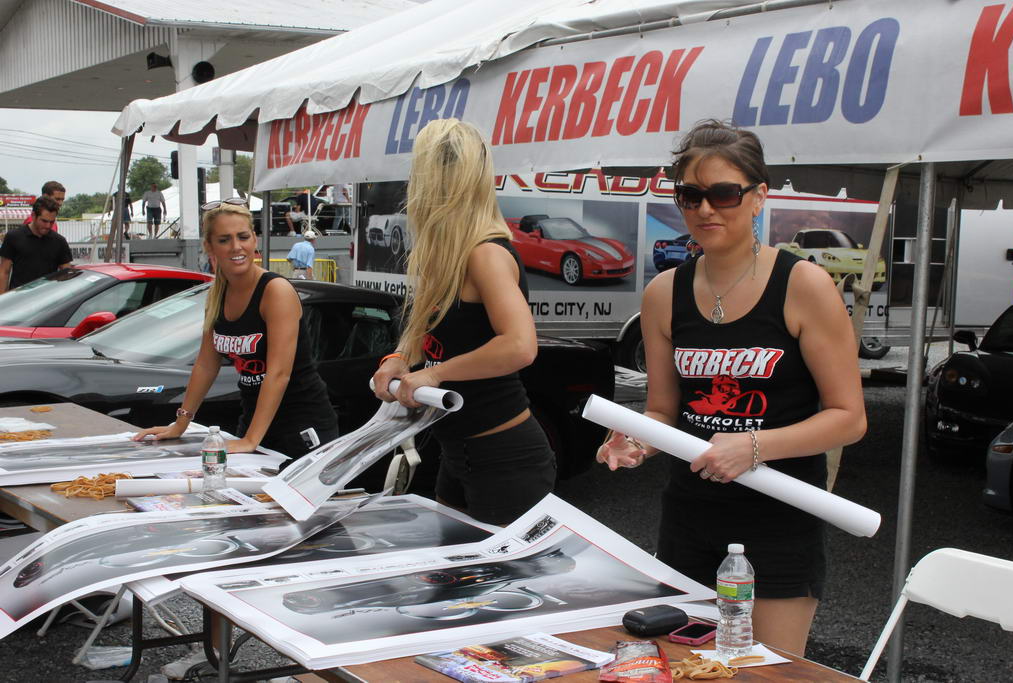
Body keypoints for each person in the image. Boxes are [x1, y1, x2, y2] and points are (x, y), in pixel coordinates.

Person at [596, 120, 866, 657]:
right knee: (685, 665)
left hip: (779, 518)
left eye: (723, 193)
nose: (705, 209)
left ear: (758, 196)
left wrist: (755, 445)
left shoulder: (803, 285)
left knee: (765, 672)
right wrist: (635, 440)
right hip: (690, 516)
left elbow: (849, 417)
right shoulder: (662, 294)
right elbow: (663, 410)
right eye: (690, 195)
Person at [372, 119, 555, 526]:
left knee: (497, 585)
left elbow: (520, 346)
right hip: (457, 448)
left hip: (504, 455)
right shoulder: (446, 252)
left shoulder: (485, 254)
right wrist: (401, 357)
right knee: (451, 577)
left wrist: (435, 375)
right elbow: (433, 328)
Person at [133, 200, 339, 467]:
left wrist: (251, 440)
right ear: (209, 246)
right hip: (253, 420)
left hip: (301, 424)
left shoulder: (275, 291)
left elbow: (279, 373)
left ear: (254, 239)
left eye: (243, 237)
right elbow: (206, 364)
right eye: (224, 239)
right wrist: (180, 424)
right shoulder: (217, 294)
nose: (236, 247)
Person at [0, 195, 73, 294]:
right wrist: (3, 301)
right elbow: (4, 271)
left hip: (47, 300)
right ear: (33, 216)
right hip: (19, 299)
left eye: (52, 222)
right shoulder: (13, 237)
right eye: (44, 221)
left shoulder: (59, 241)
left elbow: (66, 274)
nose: (48, 226)